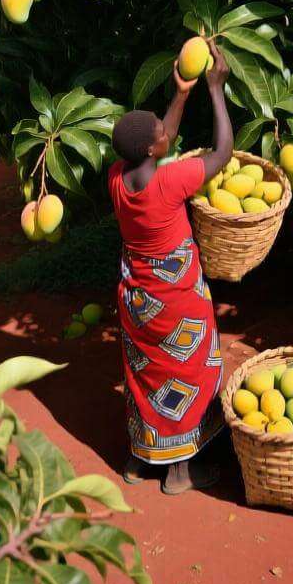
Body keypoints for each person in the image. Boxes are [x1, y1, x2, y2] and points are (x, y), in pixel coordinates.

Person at [108, 46, 233, 494]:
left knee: (147, 376)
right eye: (161, 132)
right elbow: (223, 151)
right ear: (150, 148)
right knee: (187, 373)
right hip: (177, 302)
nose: (167, 134)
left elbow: (158, 144)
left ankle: (140, 461)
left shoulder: (120, 179)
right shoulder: (170, 181)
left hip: (139, 301)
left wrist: (181, 95)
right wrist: (215, 90)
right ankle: (180, 471)